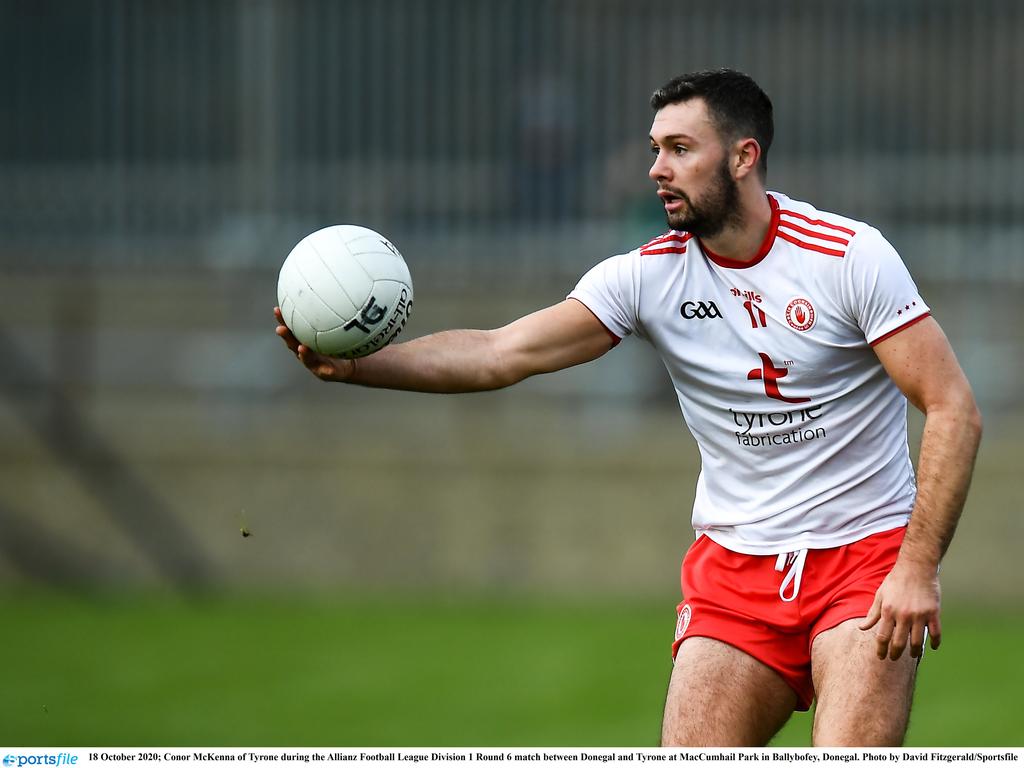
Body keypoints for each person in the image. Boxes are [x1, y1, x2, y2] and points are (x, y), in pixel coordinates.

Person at [274, 69, 982, 747]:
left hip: (864, 562)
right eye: (654, 150)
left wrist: (916, 567)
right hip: (734, 574)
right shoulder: (645, 275)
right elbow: (500, 353)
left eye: (679, 149)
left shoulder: (849, 256)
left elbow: (952, 408)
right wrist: (359, 368)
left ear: (743, 157)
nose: (656, 169)